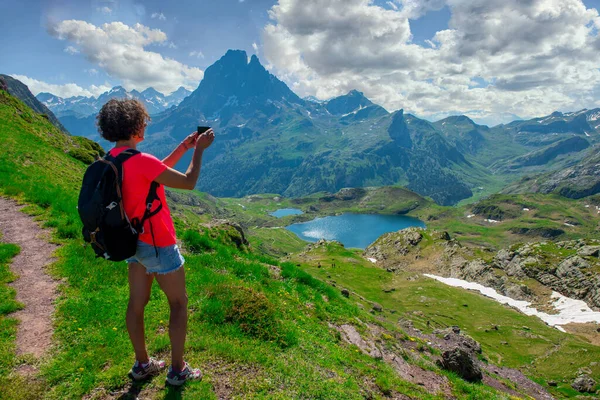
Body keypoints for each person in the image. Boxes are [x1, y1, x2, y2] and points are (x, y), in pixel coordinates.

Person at [97, 98, 215, 386]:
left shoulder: (111, 159)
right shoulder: (141, 161)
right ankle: (177, 371)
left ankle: (142, 364)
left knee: (136, 304)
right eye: (144, 122)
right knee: (178, 303)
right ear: (137, 126)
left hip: (130, 242)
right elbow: (187, 182)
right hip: (158, 243)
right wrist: (198, 152)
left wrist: (184, 147)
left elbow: (154, 173)